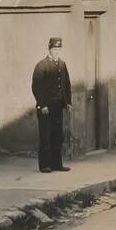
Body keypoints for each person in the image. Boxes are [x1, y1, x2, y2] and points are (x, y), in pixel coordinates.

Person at [31, 37, 72, 173]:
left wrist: (68, 102)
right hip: (46, 107)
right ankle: (45, 165)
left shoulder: (62, 64)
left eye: (59, 49)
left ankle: (57, 164)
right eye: (54, 49)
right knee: (46, 136)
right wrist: (42, 105)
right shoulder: (41, 66)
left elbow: (67, 84)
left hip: (57, 106)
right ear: (49, 49)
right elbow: (36, 87)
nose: (56, 52)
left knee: (57, 135)